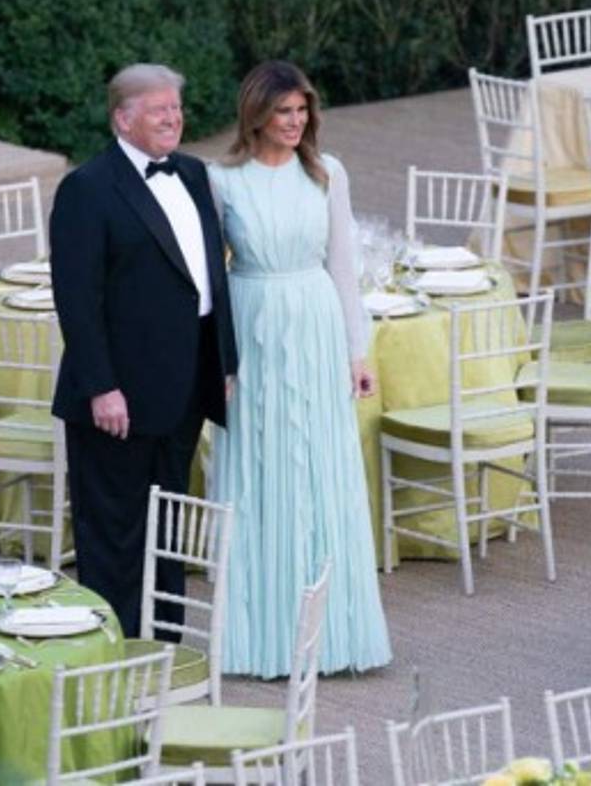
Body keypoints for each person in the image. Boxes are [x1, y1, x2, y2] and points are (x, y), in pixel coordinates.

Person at [208, 60, 392, 677]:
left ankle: (332, 634)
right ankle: (257, 636)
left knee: (319, 470)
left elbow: (344, 266)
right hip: (253, 321)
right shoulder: (222, 178)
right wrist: (218, 357)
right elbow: (209, 276)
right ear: (255, 113)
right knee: (257, 472)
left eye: (302, 110)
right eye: (282, 111)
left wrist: (355, 350)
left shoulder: (326, 172)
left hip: (314, 325)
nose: (295, 122)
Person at [49, 63, 237, 638]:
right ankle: (111, 657)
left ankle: (165, 652)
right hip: (119, 398)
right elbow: (77, 301)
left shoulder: (194, 173)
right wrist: (102, 386)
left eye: (177, 109)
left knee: (167, 530)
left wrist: (223, 361)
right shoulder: (87, 188)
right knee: (114, 535)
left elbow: (211, 278)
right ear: (122, 118)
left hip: (182, 389)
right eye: (160, 111)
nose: (174, 119)